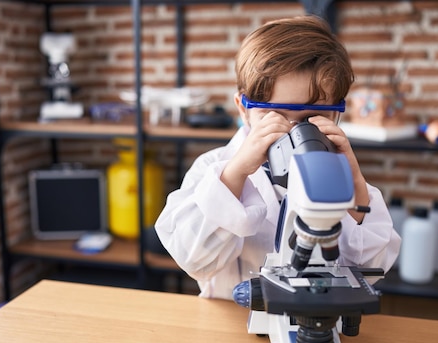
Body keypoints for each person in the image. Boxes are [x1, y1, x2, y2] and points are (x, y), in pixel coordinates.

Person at [155, 15, 401, 299]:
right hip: (229, 318)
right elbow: (192, 259)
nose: (294, 130)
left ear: (338, 113)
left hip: (312, 315)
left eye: (313, 117)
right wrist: (234, 175)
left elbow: (374, 267)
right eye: (274, 115)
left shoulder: (342, 177)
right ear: (243, 108)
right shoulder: (214, 166)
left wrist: (354, 181)